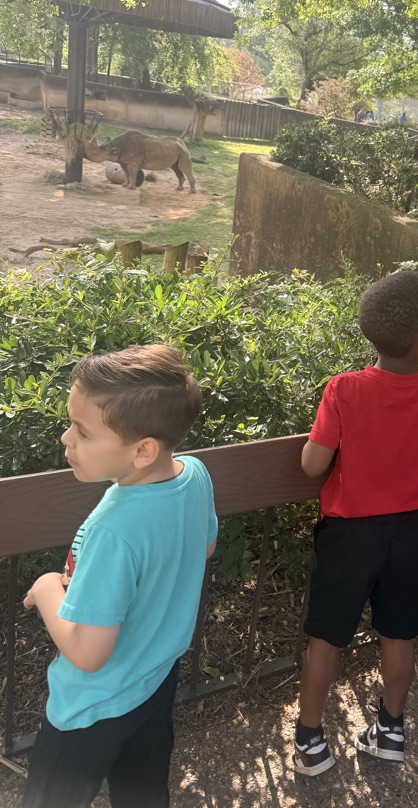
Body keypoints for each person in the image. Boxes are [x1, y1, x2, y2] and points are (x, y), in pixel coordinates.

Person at [293, 271, 418, 776]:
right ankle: (391, 729)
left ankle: (310, 740)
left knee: (326, 638)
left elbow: (312, 464)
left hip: (350, 533)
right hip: (408, 534)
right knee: (399, 635)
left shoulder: (344, 390)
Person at [22, 345, 217, 808]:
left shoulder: (115, 527)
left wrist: (48, 587)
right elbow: (205, 546)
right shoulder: (194, 473)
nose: (67, 440)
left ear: (142, 450)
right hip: (154, 684)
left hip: (88, 708)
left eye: (83, 433)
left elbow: (90, 653)